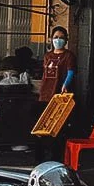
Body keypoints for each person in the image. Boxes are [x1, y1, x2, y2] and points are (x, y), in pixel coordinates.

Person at [35, 27, 76, 162]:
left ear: (66, 40)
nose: (58, 40)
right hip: (45, 96)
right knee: (42, 130)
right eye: (56, 37)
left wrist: (66, 84)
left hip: (59, 98)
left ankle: (56, 160)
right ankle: (39, 161)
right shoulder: (47, 56)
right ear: (51, 39)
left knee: (57, 131)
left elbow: (71, 72)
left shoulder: (68, 56)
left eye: (61, 37)